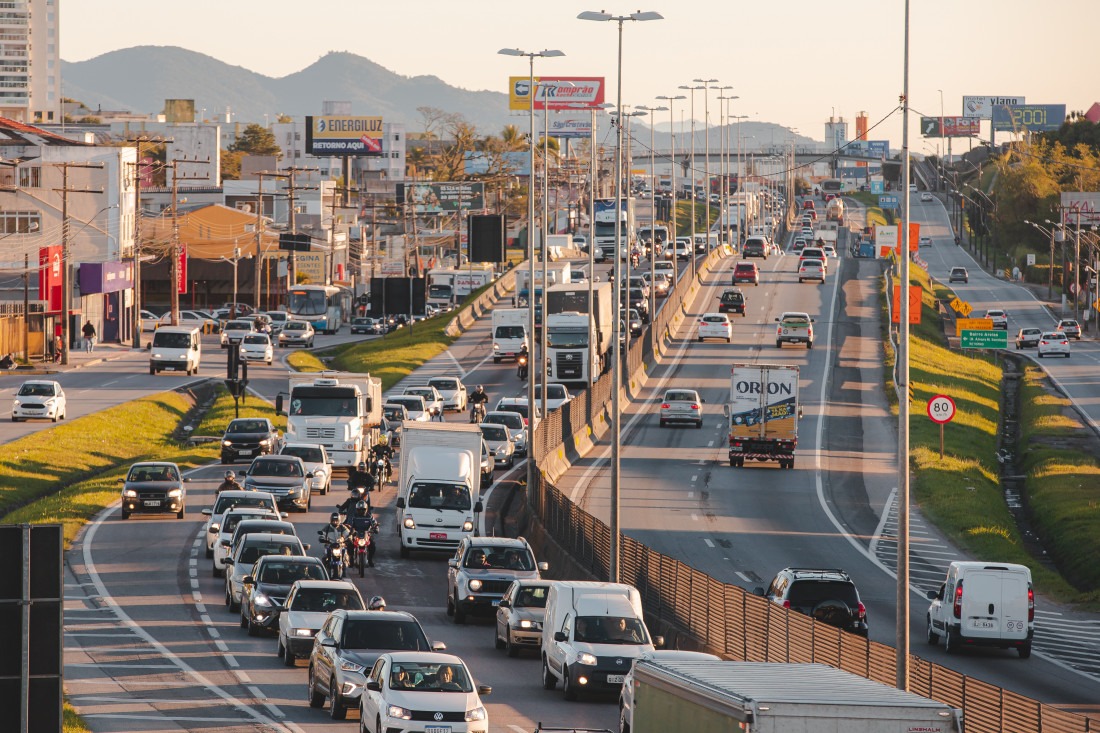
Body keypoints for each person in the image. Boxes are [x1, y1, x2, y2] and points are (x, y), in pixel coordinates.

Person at [349, 500, 378, 568]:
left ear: (366, 509)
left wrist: (375, 529)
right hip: (356, 534)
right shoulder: (354, 516)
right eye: (359, 509)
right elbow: (349, 524)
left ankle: (370, 560)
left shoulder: (369, 516)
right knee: (349, 544)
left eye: (363, 509)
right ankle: (351, 560)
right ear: (357, 509)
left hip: (366, 535)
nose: (361, 511)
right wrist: (350, 530)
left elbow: (375, 524)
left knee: (372, 545)